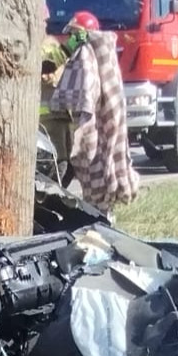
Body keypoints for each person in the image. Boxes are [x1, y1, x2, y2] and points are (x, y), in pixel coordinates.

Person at [51, 13, 140, 210]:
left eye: (74, 34)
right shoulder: (71, 52)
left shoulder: (86, 55)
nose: (70, 37)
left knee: (60, 180)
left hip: (64, 132)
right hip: (59, 131)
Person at [41, 10, 97, 186]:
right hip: (47, 119)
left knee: (69, 162)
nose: (44, 24)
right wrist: (67, 49)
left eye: (44, 21)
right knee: (59, 163)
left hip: (63, 115)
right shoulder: (36, 47)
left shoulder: (51, 44)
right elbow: (46, 68)